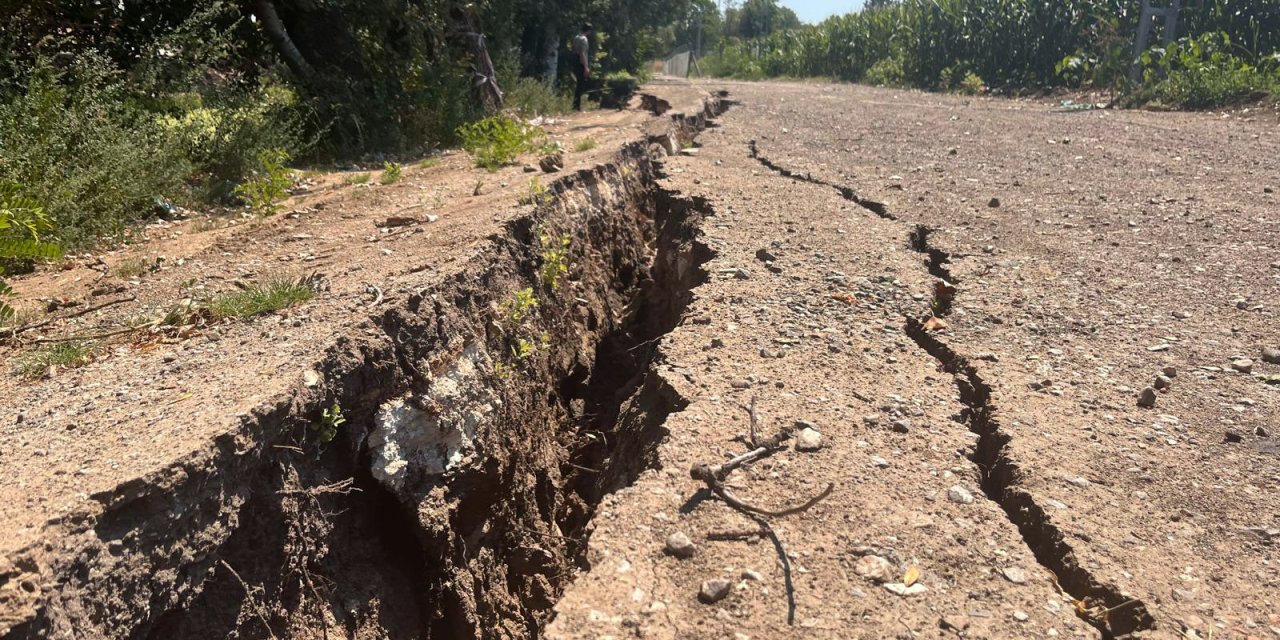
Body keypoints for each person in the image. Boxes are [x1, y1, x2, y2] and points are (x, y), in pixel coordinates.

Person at [571, 23, 593, 111]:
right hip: (580, 62)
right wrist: (585, 67)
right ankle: (576, 106)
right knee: (580, 84)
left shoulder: (576, 37)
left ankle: (576, 105)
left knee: (578, 84)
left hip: (575, 60)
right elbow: (582, 53)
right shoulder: (584, 39)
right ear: (588, 31)